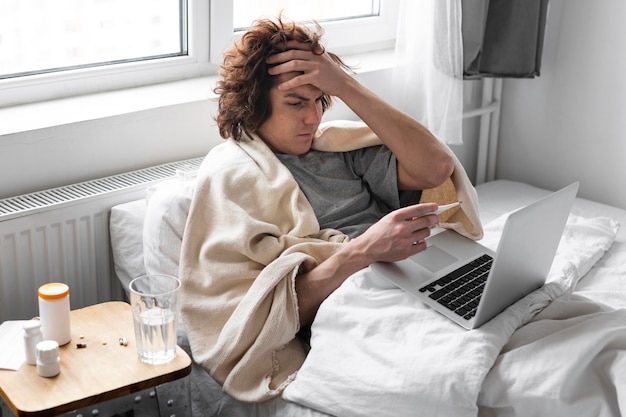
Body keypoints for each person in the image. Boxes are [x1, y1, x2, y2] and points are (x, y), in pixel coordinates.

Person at [179, 16, 481, 402]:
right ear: (254, 106)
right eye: (295, 103)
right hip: (354, 301)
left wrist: (343, 83)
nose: (313, 117)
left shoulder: (337, 149)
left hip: (410, 274)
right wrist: (365, 250)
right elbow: (266, 319)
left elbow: (435, 167)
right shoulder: (232, 178)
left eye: (319, 100)